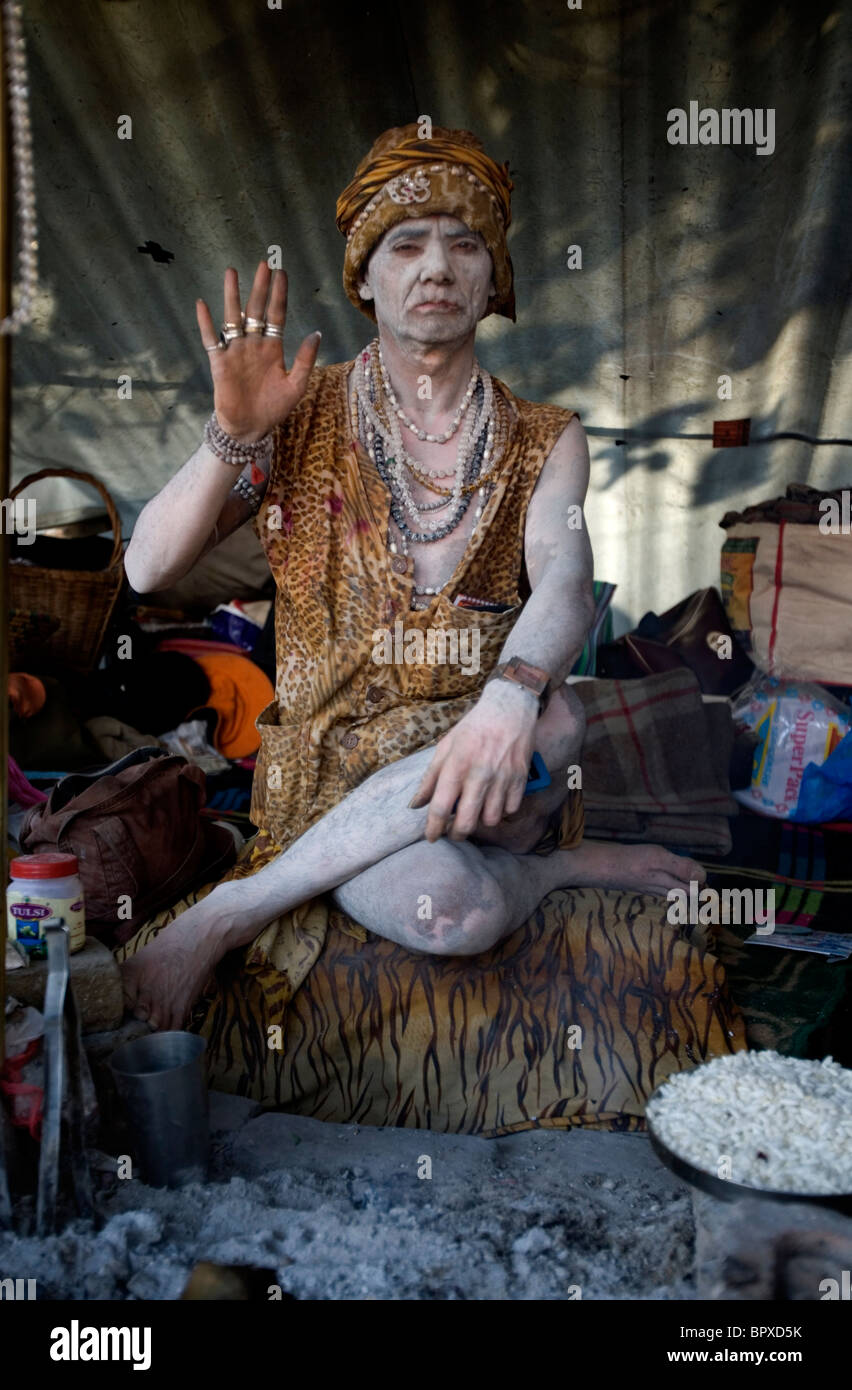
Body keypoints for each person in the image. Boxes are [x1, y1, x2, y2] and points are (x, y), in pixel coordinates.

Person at [122, 124, 703, 1034]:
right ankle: (533, 867)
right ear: (365, 277)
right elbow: (147, 564)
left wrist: (511, 697)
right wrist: (232, 433)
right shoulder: (298, 409)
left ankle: (514, 845)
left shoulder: (549, 436)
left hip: (479, 762)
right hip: (332, 774)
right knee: (456, 911)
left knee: (559, 710)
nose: (437, 266)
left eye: (465, 244)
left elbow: (565, 574)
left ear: (492, 276)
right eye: (406, 244)